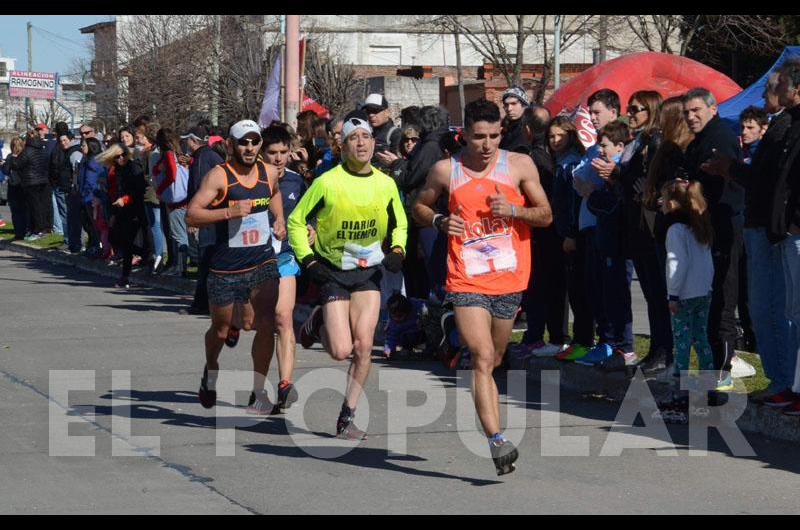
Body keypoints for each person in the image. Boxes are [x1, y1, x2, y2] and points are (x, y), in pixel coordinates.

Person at [413, 98, 552, 475]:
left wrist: (515, 211)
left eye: (493, 136)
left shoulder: (519, 165)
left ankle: (448, 335)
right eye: (478, 137)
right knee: (483, 355)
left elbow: (546, 214)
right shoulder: (446, 170)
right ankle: (496, 439)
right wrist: (441, 220)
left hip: (509, 277)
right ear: (465, 135)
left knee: (498, 354)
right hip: (466, 277)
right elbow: (420, 207)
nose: (487, 145)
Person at [290, 113, 408, 440]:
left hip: (367, 271)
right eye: (353, 138)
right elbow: (297, 221)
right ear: (341, 146)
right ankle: (318, 321)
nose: (360, 143)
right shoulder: (327, 182)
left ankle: (347, 415)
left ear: (373, 142)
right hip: (332, 271)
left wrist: (398, 249)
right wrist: (308, 260)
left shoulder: (385, 184)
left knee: (364, 346)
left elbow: (400, 222)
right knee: (341, 351)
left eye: (366, 137)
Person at [703, 65, 798, 408]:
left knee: (777, 308)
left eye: (773, 89)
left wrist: (730, 168)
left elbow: (772, 180)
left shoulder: (786, 127)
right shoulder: (783, 127)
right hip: (765, 225)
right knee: (765, 308)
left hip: (775, 229)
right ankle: (780, 380)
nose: (765, 96)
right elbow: (766, 178)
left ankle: (785, 381)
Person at [186, 119, 286, 414]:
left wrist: (278, 219)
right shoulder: (219, 177)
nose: (250, 148)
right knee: (220, 330)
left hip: (262, 260)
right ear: (231, 145)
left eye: (255, 142)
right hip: (225, 267)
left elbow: (275, 193)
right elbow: (191, 215)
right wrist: (229, 211)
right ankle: (211, 370)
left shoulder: (268, 172)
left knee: (265, 324)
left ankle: (258, 392)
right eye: (244, 142)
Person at [606, 91, 674, 372]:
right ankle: (658, 348)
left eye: (637, 109)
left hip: (650, 224)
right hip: (637, 223)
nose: (630, 114)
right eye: (629, 108)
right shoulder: (640, 141)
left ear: (652, 111)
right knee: (650, 291)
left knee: (658, 292)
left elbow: (646, 183)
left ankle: (664, 350)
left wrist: (617, 173)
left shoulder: (655, 141)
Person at [681, 87, 743, 391]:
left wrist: (691, 189)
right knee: (709, 297)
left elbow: (724, 183)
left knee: (722, 298)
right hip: (706, 228)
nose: (691, 117)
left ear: (713, 109)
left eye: (696, 110)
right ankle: (714, 365)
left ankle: (724, 368)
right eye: (687, 112)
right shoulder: (700, 141)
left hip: (724, 226)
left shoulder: (720, 138)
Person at [257, 124, 312, 409]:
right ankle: (258, 386)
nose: (278, 158)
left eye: (283, 152)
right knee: (262, 325)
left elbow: (307, 214)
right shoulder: (248, 181)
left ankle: (285, 385)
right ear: (261, 153)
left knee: (283, 318)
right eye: (272, 153)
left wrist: (311, 228)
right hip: (253, 260)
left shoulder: (295, 181)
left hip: (285, 257)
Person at [377, 106, 451, 301]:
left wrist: (396, 164)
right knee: (416, 274)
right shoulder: (430, 144)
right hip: (421, 218)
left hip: (428, 218)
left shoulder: (430, 146)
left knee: (429, 275)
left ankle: (431, 316)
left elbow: (410, 178)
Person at [514, 107, 570, 357]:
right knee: (554, 286)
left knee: (538, 285)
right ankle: (553, 335)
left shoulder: (531, 160)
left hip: (540, 232)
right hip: (554, 231)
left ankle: (538, 335)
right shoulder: (552, 158)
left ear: (527, 130)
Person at [660, 179, 716, 415]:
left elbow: (676, 263)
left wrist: (673, 293)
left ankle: (680, 392)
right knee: (701, 337)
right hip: (703, 292)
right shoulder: (699, 226)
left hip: (683, 294)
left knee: (682, 342)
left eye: (663, 198)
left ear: (672, 203)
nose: (660, 202)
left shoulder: (675, 230)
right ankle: (709, 387)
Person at [548, 117, 595, 362]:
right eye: (552, 136)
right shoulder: (561, 162)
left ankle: (584, 340)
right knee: (575, 288)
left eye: (560, 136)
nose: (556, 141)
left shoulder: (572, 163)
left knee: (579, 290)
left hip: (573, 234)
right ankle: (581, 339)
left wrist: (570, 234)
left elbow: (573, 202)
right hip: (564, 232)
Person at [181, 125, 224, 315]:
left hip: (208, 217)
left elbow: (199, 189)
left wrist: (194, 219)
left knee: (205, 260)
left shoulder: (202, 158)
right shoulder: (209, 156)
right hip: (215, 215)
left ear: (194, 141)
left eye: (188, 140)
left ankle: (202, 304)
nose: (186, 144)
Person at [96, 143, 148, 288]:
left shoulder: (133, 167)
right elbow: (114, 192)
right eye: (117, 157)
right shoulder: (116, 170)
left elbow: (138, 190)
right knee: (116, 239)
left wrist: (125, 199)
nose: (120, 159)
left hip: (134, 209)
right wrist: (114, 212)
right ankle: (144, 255)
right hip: (120, 209)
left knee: (127, 242)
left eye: (122, 155)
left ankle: (125, 276)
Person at [153, 128, 191, 277]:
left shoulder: (169, 155)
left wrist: (160, 190)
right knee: (180, 234)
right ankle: (180, 266)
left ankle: (181, 267)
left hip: (176, 201)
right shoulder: (178, 153)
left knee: (179, 235)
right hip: (181, 199)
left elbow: (172, 176)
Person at [13, 130, 51, 240]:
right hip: (43, 180)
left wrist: (13, 159)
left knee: (34, 208)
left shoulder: (27, 151)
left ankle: (37, 230)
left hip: (31, 181)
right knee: (41, 206)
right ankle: (42, 228)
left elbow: (17, 164)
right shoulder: (42, 149)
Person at [50, 131, 83, 253]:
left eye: (65, 140)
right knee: (67, 217)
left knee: (70, 217)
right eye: (61, 141)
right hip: (65, 188)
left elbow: (77, 171)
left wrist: (73, 186)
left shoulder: (74, 153)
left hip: (72, 190)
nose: (63, 143)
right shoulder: (66, 151)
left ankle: (72, 242)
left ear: (71, 139)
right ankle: (71, 242)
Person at [75, 137, 105, 257]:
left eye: (84, 146)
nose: (81, 148)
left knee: (94, 225)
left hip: (91, 197)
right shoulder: (85, 160)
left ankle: (98, 247)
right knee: (88, 224)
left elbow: (91, 182)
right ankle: (93, 246)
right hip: (85, 196)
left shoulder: (93, 161)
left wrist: (88, 196)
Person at [362, 93, 402, 172]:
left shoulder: (395, 134)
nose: (371, 115)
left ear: (387, 112)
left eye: (375, 110)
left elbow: (399, 164)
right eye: (368, 111)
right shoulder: (368, 134)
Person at [383, 292, 426, 360]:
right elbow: (391, 336)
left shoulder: (418, 307)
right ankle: (407, 348)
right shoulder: (394, 322)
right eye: (393, 316)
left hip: (422, 332)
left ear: (407, 311)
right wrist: (388, 349)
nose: (396, 319)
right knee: (405, 336)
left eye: (399, 316)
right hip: (407, 336)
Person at [4, 137, 27, 240]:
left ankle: (19, 232)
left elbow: (6, 170)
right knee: (24, 210)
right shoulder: (25, 156)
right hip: (24, 185)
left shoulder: (10, 157)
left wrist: (5, 164)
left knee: (16, 211)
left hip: (14, 185)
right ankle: (25, 230)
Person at [499, 86, 530, 152]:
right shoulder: (504, 128)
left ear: (524, 105)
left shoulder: (529, 129)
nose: (509, 109)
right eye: (506, 105)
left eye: (514, 103)